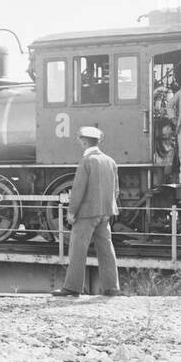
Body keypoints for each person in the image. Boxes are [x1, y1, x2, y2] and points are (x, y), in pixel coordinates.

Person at [51, 125, 121, 298]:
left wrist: (71, 212)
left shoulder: (86, 162)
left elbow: (78, 189)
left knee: (77, 250)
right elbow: (116, 191)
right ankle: (112, 288)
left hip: (86, 214)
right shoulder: (110, 161)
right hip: (105, 214)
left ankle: (73, 288)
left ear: (83, 142)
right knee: (106, 250)